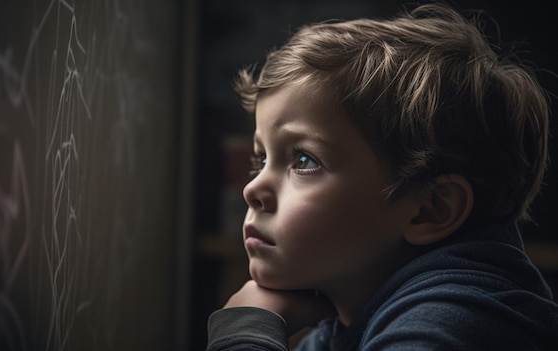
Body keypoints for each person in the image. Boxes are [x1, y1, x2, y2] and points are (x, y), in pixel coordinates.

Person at [205, 2, 558, 351]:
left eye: (304, 159)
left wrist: (246, 329)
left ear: (430, 209)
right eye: (261, 158)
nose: (253, 189)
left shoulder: (450, 323)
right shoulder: (346, 318)